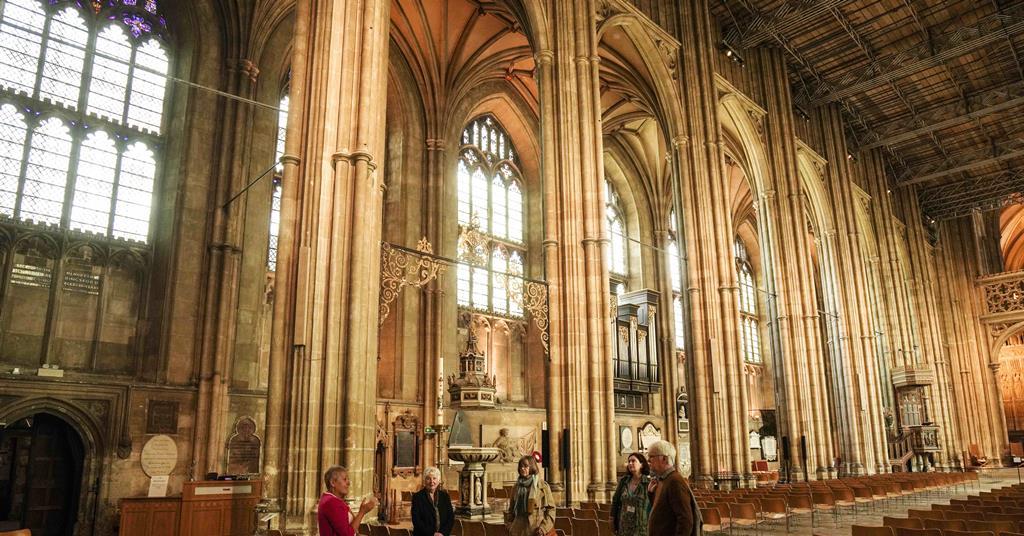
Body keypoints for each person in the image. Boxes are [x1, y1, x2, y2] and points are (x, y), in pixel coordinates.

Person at [645, 440, 700, 536]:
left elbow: (685, 520)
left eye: (651, 457)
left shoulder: (675, 481)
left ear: (664, 459)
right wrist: (651, 493)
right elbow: (662, 510)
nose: (648, 461)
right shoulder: (663, 479)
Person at [318, 465, 378, 536]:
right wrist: (362, 512)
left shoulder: (332, 500)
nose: (348, 483)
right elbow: (347, 534)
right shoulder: (331, 503)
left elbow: (350, 527)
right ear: (333, 483)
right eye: (345, 479)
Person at [505, 455, 555, 536]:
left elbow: (551, 510)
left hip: (536, 530)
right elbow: (511, 510)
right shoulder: (516, 487)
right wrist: (510, 525)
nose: (522, 468)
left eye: (525, 466)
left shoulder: (542, 486)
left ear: (532, 467)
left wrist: (543, 528)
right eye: (520, 466)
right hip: (517, 530)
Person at [611, 452, 652, 536]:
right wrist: (612, 519)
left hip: (642, 528)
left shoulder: (648, 482)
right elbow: (616, 501)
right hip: (624, 527)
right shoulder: (624, 481)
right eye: (629, 461)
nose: (630, 463)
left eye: (633, 461)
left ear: (642, 464)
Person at [411, 466, 455, 536]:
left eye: (434, 478)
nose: (432, 482)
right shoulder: (417, 497)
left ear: (438, 480)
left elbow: (450, 518)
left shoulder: (445, 496)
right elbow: (416, 521)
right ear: (424, 480)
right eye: (428, 478)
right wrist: (433, 534)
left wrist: (442, 533)